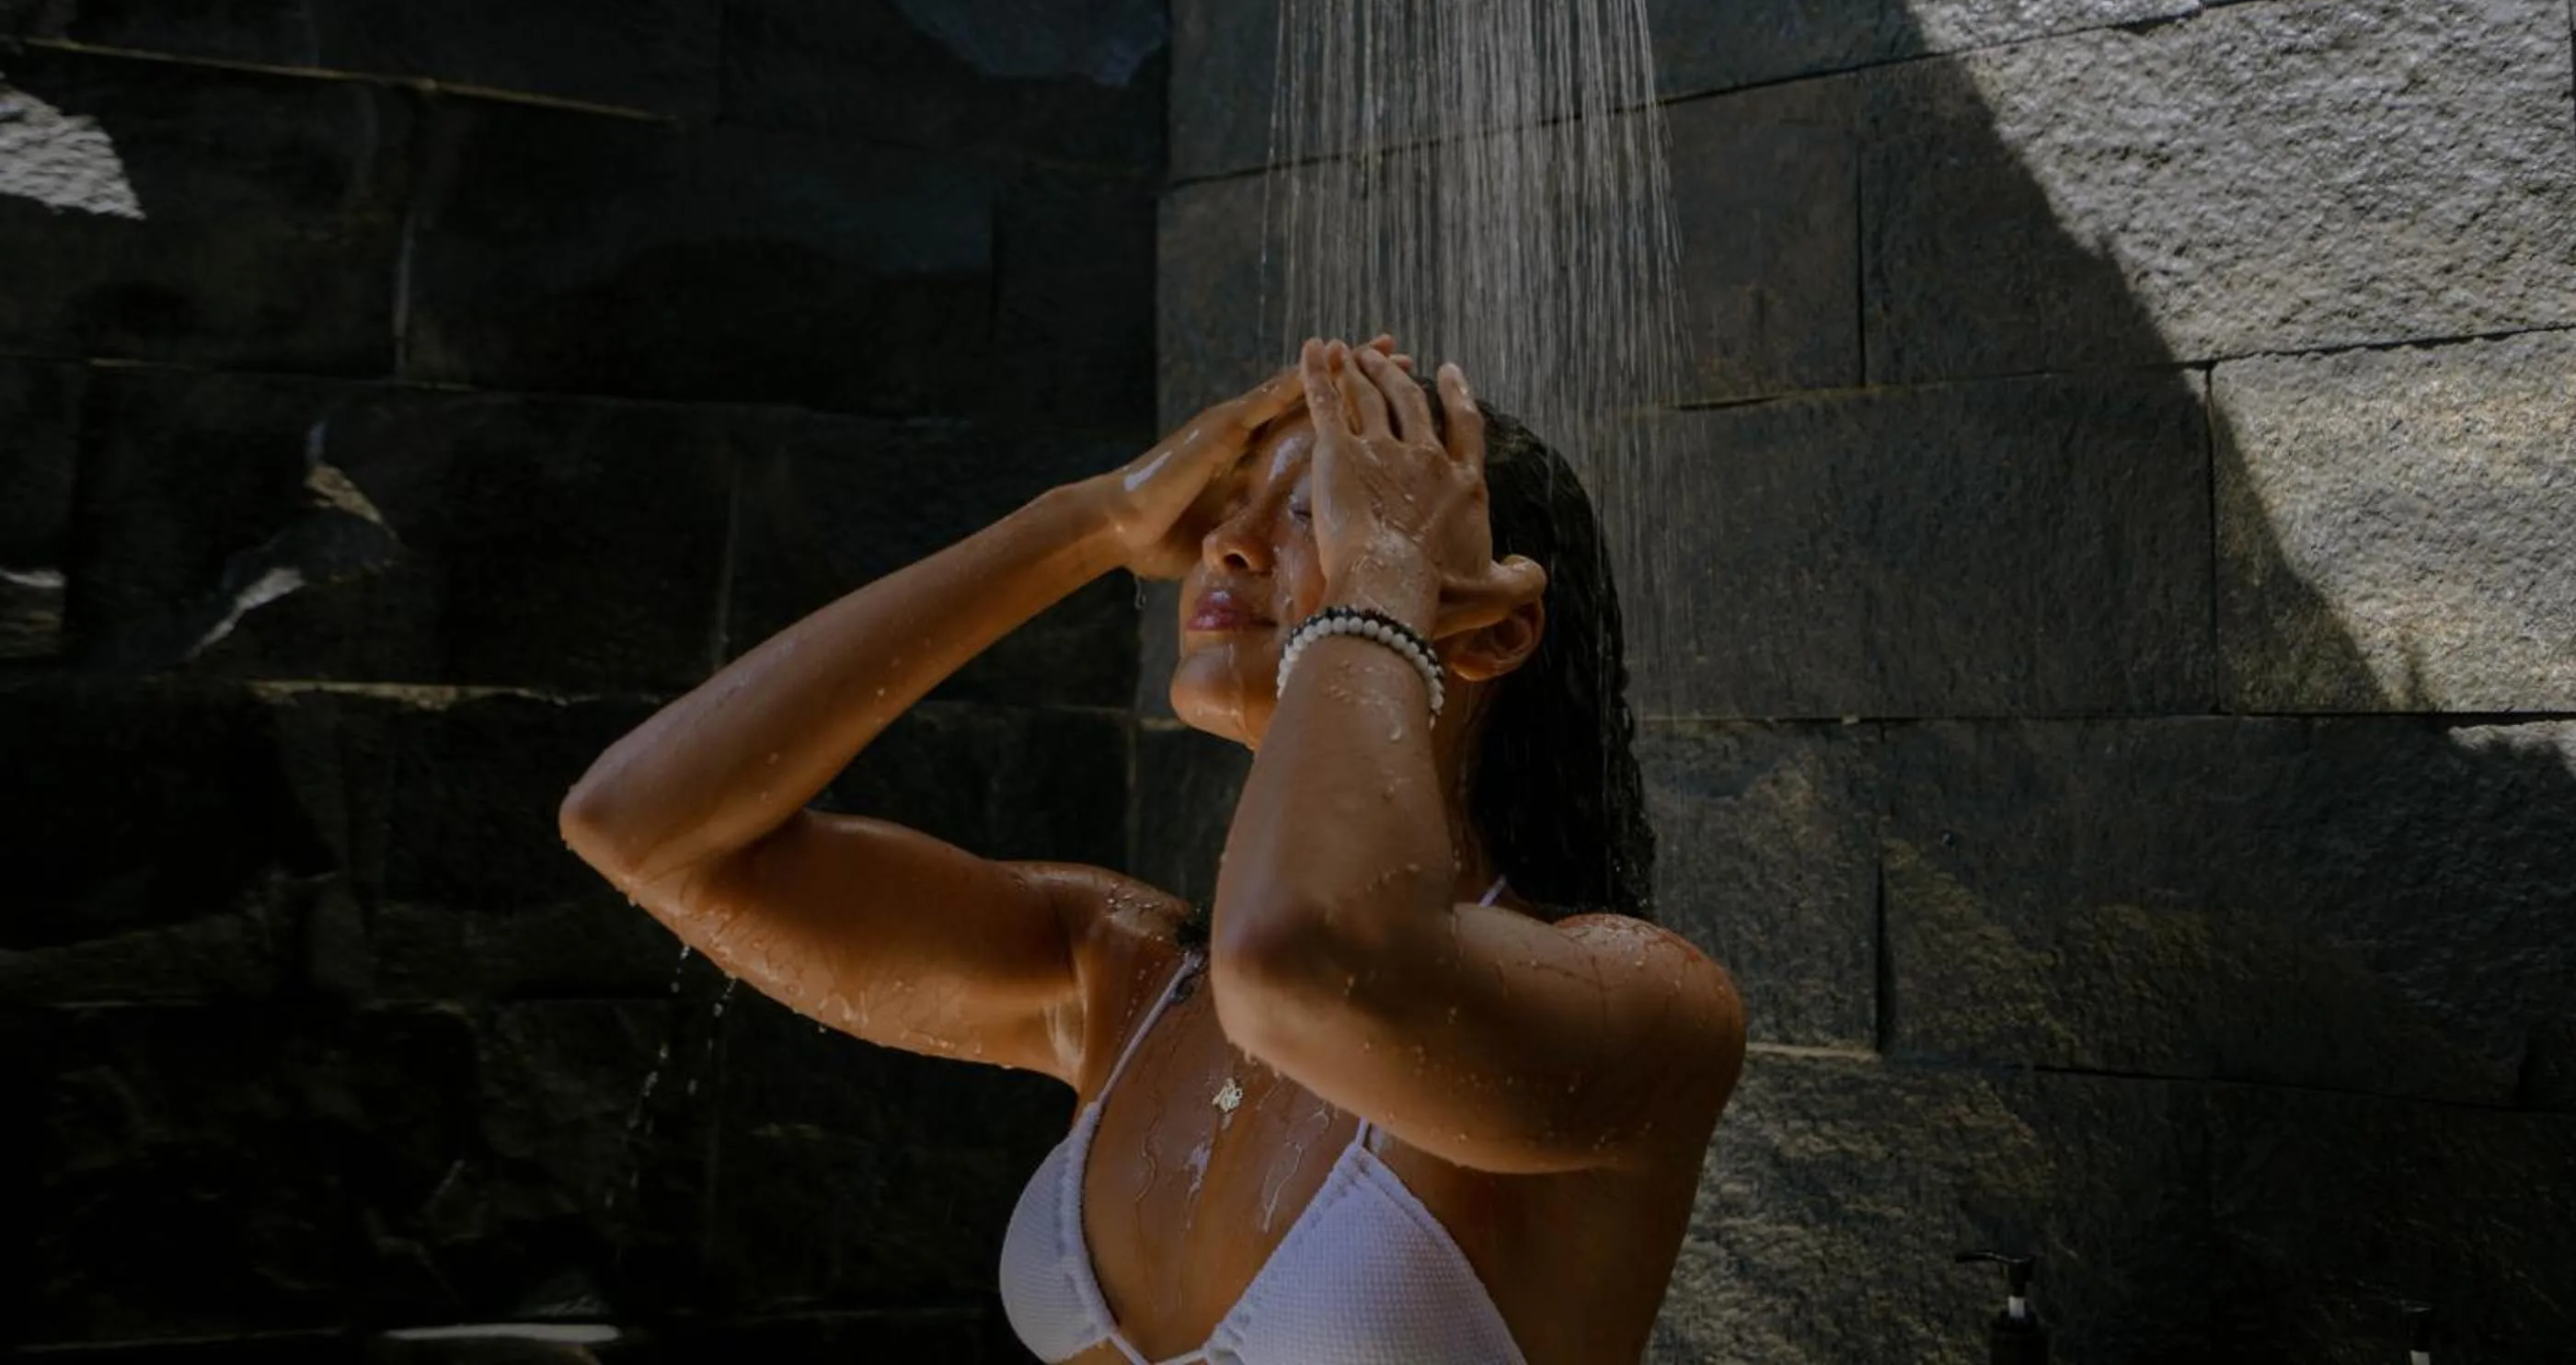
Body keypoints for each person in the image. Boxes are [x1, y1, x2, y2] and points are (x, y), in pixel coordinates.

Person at [558, 336, 1746, 1364]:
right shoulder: (1115, 978)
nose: (1220, 548)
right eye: (1216, 519)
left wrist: (1382, 582)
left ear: (1490, 632)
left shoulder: (1644, 1005)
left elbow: (1304, 968)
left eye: (1312, 510)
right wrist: (1093, 518)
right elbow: (644, 829)